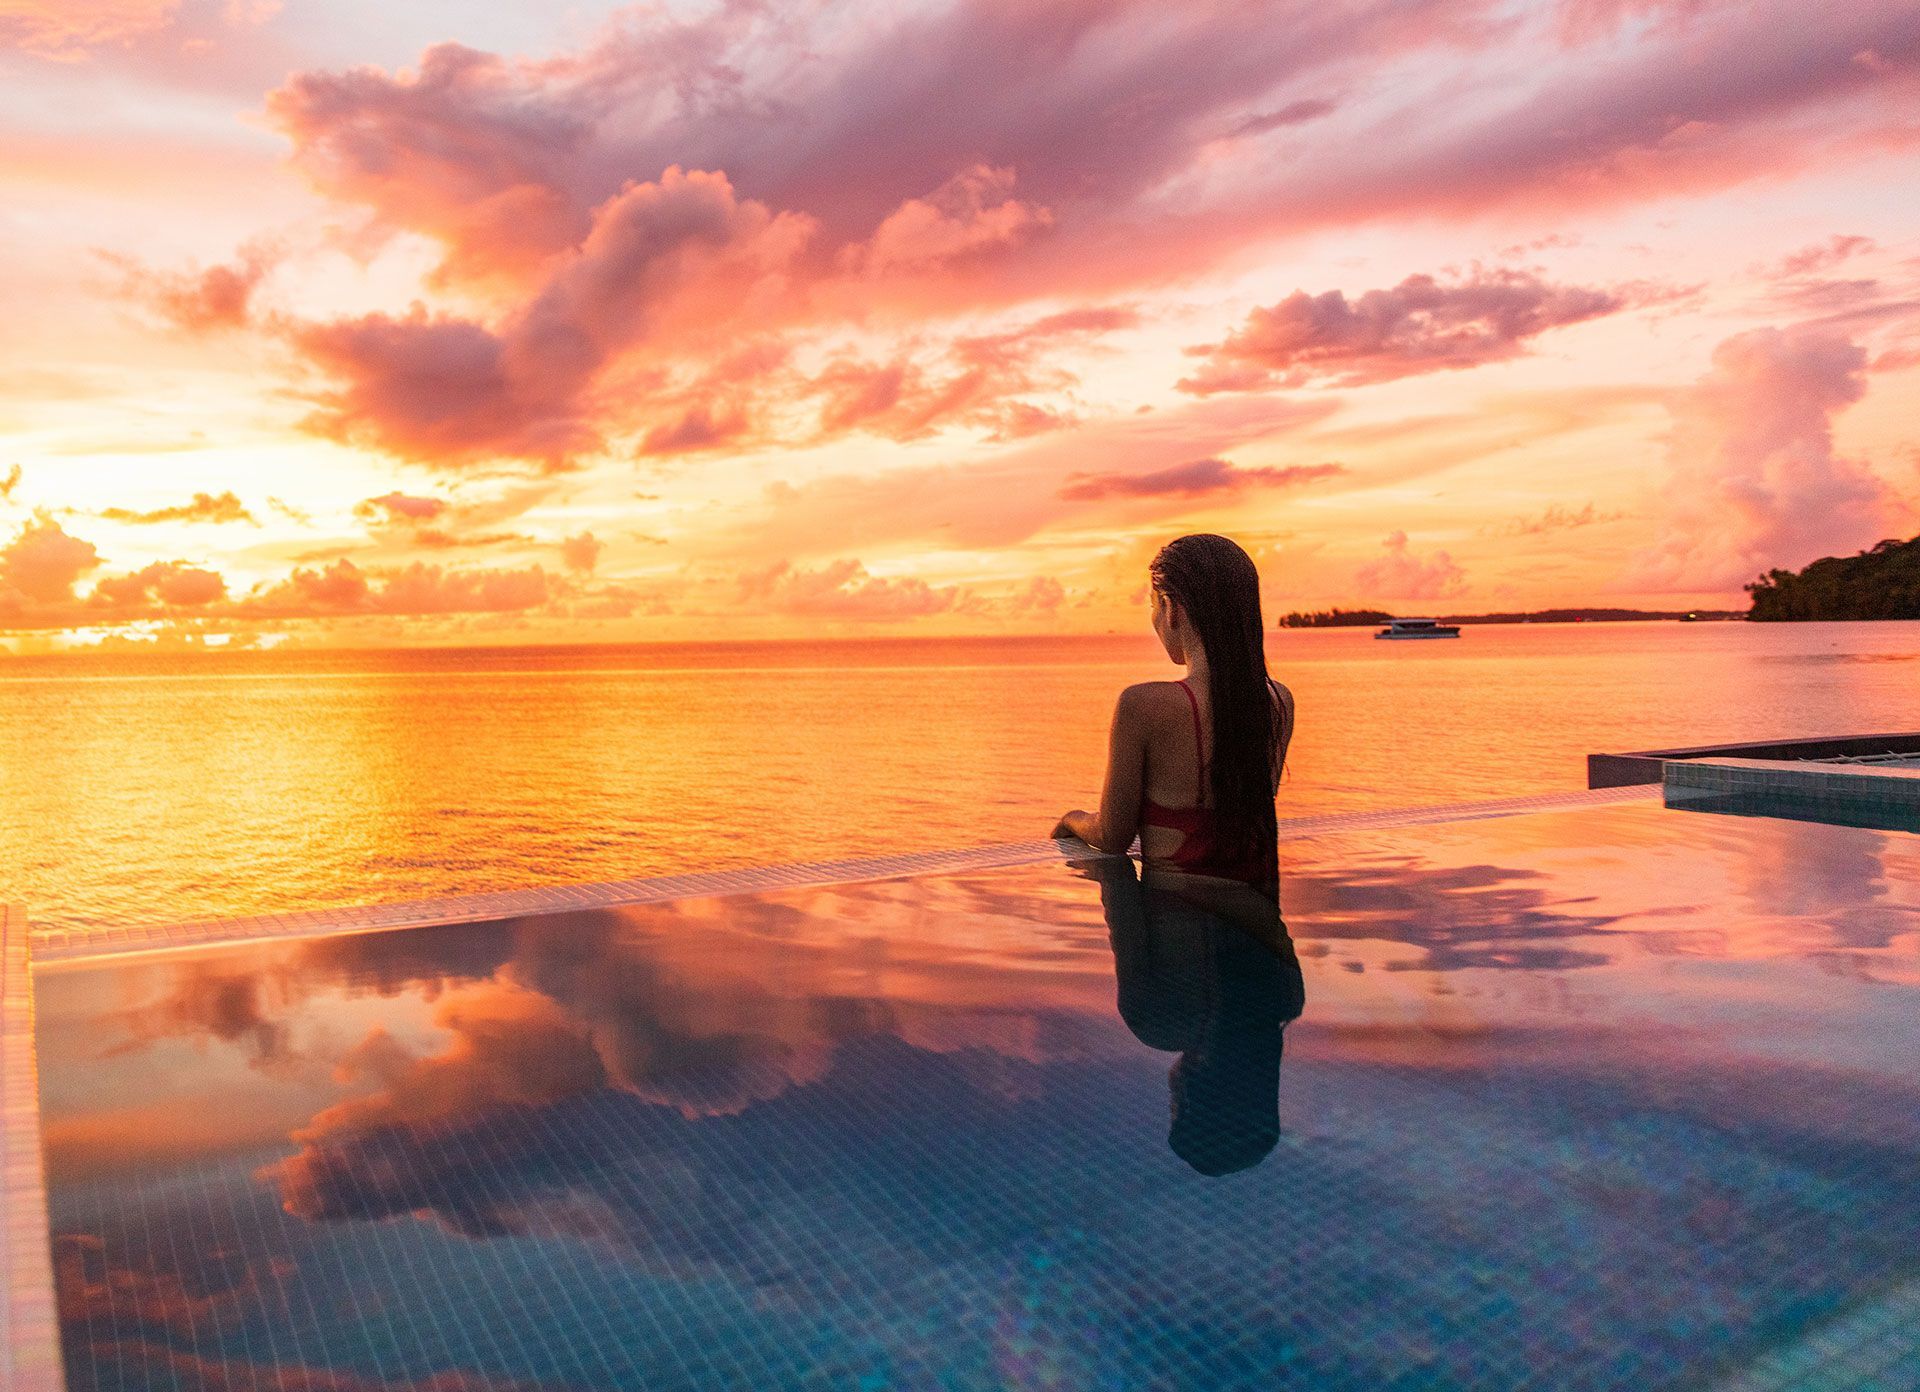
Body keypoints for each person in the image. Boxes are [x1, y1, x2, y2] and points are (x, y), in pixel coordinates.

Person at [1054, 533, 1294, 900]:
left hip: (1179, 927)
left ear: (1172, 607)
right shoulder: (1278, 700)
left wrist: (1071, 818)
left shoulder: (1143, 705)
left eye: (1153, 605)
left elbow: (1112, 838)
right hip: (1259, 925)